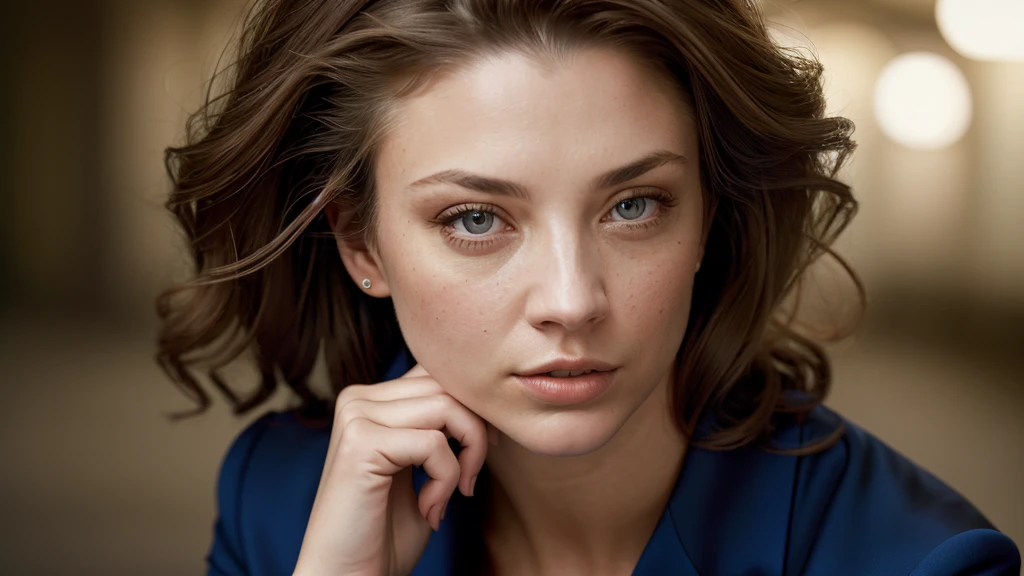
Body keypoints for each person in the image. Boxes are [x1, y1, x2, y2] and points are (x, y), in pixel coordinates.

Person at [156, 0, 1021, 574]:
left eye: (634, 205)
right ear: (360, 244)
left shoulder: (919, 561)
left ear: (708, 221)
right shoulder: (281, 508)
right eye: (475, 219)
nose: (571, 301)